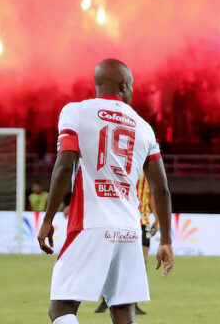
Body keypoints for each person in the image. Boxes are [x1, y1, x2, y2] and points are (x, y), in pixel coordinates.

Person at [38, 59, 174, 324]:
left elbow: (64, 166)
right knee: (123, 313)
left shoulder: (75, 112)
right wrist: (166, 240)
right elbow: (161, 188)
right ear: (123, 85)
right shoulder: (143, 127)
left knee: (61, 309)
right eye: (132, 86)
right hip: (130, 230)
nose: (132, 92)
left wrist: (47, 219)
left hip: (91, 224)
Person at [96, 170, 157, 315]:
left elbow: (151, 195)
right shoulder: (123, 165)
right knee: (114, 260)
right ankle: (107, 299)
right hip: (124, 220)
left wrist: (157, 218)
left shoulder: (148, 168)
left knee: (141, 263)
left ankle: (132, 302)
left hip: (143, 221)